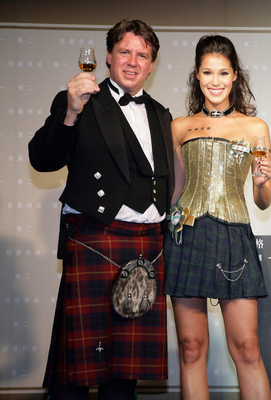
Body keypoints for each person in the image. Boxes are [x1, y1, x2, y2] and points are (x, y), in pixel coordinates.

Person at [29, 19, 173, 400]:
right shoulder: (80, 102)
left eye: (142, 55)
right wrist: (70, 112)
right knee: (77, 371)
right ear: (108, 57)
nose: (133, 61)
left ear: (152, 65)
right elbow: (43, 159)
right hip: (96, 241)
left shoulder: (161, 114)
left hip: (146, 246)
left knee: (124, 375)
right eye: (124, 52)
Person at [164, 35, 271, 400]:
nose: (215, 81)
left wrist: (261, 183)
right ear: (197, 75)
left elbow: (262, 202)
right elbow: (177, 191)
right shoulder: (179, 127)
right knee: (191, 347)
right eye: (208, 72)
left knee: (247, 348)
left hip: (233, 236)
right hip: (187, 237)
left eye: (223, 73)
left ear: (235, 75)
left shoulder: (255, 128)